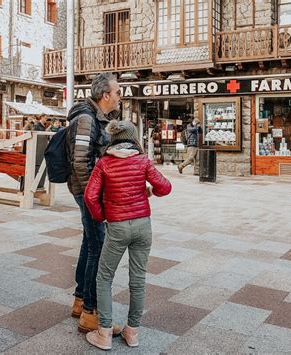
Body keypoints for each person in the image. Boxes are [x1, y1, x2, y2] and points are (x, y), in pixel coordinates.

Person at [84, 120, 172, 350]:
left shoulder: (104, 163)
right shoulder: (143, 161)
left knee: (104, 277)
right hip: (143, 225)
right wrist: (150, 190)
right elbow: (165, 187)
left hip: (117, 225)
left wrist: (102, 216)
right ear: (134, 139)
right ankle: (132, 332)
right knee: (138, 279)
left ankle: (104, 333)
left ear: (113, 139)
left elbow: (90, 197)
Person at [67, 72, 121, 334]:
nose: (120, 96)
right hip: (87, 191)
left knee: (90, 242)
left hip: (88, 190)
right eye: (118, 92)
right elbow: (80, 160)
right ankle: (91, 312)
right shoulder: (87, 119)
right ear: (105, 95)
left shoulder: (99, 117)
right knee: (98, 247)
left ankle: (80, 299)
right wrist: (93, 195)